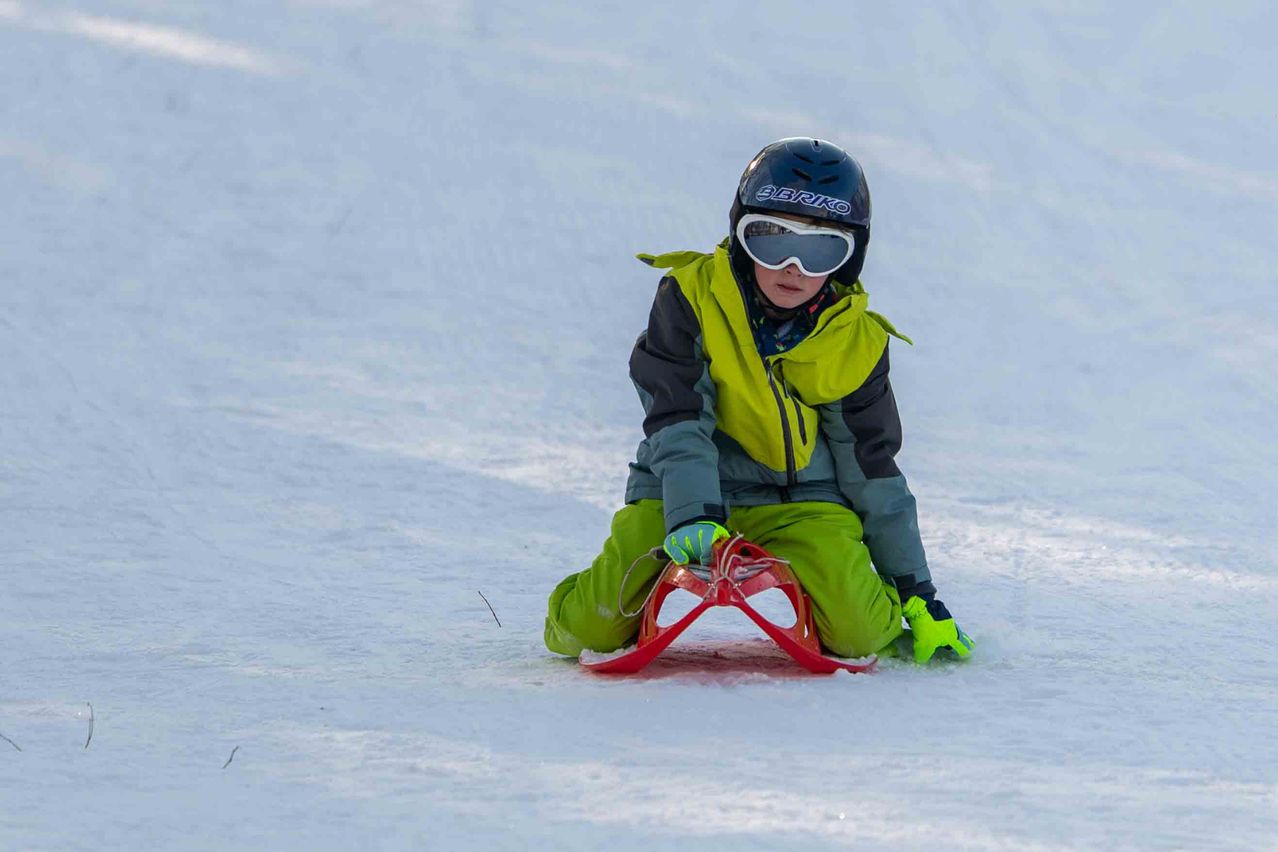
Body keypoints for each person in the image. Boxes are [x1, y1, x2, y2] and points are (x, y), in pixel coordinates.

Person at [544, 137, 973, 664]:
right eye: (771, 240)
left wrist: (917, 593)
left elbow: (872, 467)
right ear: (741, 235)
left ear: (849, 257)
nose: (793, 267)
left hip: (803, 503)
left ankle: (870, 595)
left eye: (820, 250)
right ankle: (585, 598)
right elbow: (679, 420)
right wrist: (693, 514)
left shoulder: (855, 343)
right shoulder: (690, 298)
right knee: (587, 630)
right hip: (682, 496)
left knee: (861, 636)